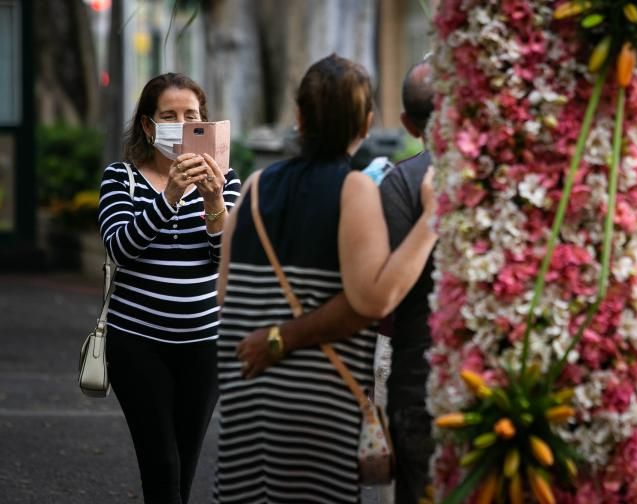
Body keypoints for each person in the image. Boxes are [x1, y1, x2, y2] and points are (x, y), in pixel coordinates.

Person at [214, 54, 437, 503]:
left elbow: (224, 293)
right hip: (315, 400)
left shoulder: (255, 186)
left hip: (245, 389)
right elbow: (374, 299)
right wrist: (434, 215)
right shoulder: (353, 189)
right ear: (367, 122)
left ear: (299, 117)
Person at [98, 72, 241, 504]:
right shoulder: (120, 178)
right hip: (137, 343)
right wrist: (169, 198)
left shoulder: (226, 180)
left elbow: (225, 261)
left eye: (191, 116)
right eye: (169, 116)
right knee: (161, 465)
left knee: (185, 465)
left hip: (205, 344)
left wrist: (214, 202)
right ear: (148, 125)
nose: (182, 124)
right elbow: (121, 248)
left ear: (206, 124)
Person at [378, 58, 437, 504]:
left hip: (419, 382)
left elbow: (384, 301)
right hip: (513, 384)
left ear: (407, 124)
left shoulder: (400, 183)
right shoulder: (518, 173)